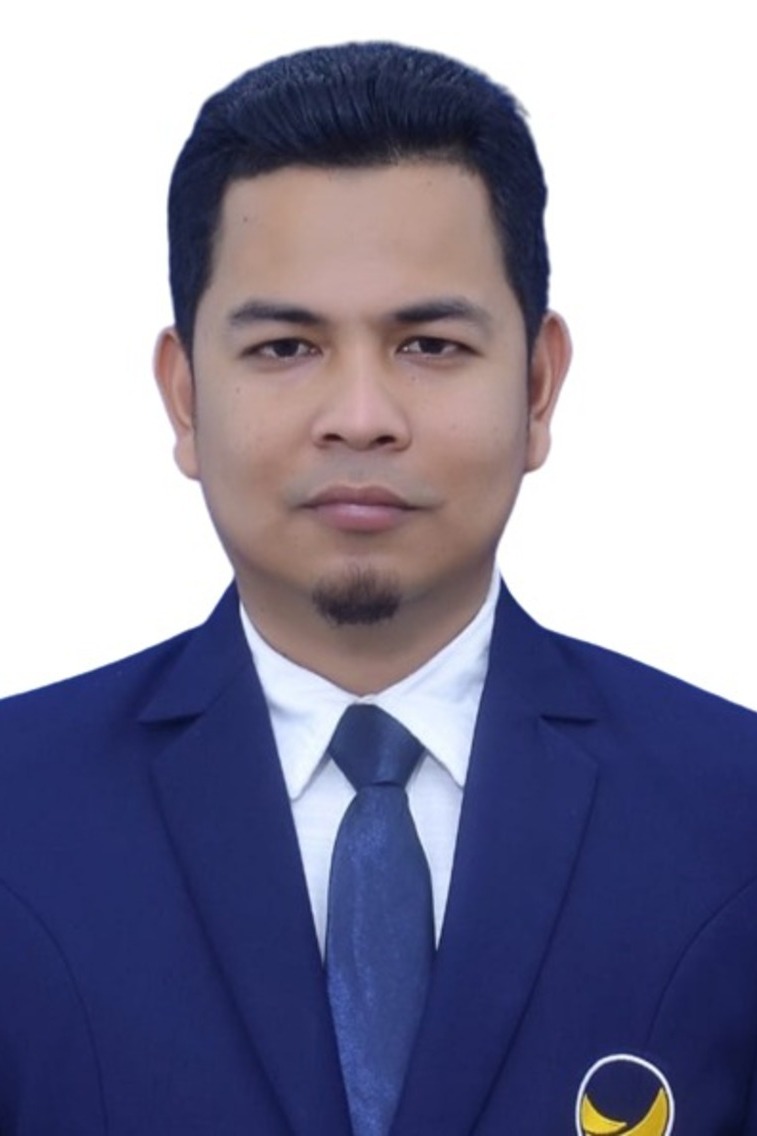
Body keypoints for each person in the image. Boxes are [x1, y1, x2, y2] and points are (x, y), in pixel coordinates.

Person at [1, 40, 756, 1136]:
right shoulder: (18, 817)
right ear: (184, 397)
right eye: (286, 347)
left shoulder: (731, 815)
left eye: (430, 344)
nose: (360, 416)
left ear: (537, 387)